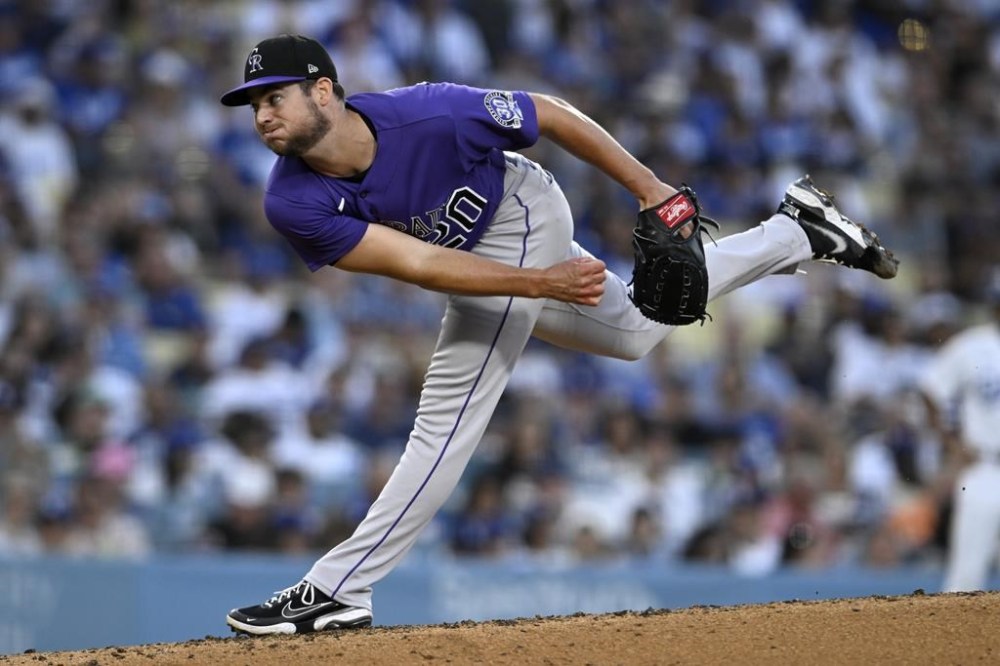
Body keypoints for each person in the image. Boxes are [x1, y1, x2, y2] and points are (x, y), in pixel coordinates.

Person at [218, 34, 897, 635]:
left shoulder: (428, 111)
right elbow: (421, 264)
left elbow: (549, 114)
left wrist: (652, 187)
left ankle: (339, 588)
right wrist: (539, 287)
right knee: (634, 333)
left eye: (273, 96)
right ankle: (798, 231)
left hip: (521, 210)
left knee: (446, 420)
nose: (262, 115)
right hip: (475, 259)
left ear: (326, 91)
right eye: (253, 106)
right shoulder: (291, 199)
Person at [919, 268, 1000, 593]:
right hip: (983, 467)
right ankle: (948, 645)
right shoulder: (972, 345)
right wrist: (952, 444)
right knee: (966, 577)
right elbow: (930, 390)